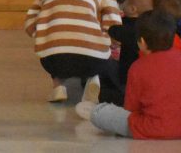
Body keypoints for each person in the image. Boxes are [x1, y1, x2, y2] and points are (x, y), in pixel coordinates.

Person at [25, 0, 122, 104]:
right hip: (93, 60)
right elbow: (114, 23)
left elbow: (30, 20)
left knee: (54, 45)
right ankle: (94, 81)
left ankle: (58, 87)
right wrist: (108, 41)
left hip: (53, 60)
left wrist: (42, 36)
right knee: (99, 54)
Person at [77, 10, 181, 139]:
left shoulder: (138, 67)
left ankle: (94, 110)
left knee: (101, 112)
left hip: (148, 128)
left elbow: (131, 108)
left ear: (142, 42)